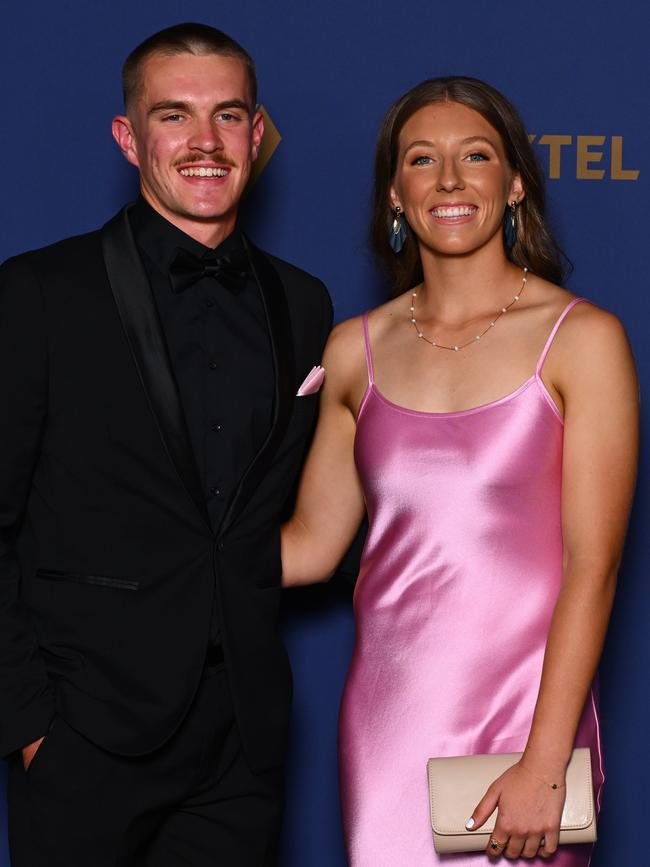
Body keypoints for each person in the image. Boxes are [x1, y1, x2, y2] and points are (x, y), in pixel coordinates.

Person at [281, 76, 638, 865]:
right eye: (421, 159)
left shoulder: (582, 339)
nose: (448, 179)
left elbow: (595, 562)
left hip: (528, 721)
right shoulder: (354, 349)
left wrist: (547, 760)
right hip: (389, 720)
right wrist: (145, 542)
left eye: (475, 156)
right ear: (395, 196)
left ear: (513, 185)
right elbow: (309, 545)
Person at [0, 22, 331, 867]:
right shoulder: (40, 291)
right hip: (86, 731)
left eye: (228, 116)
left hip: (243, 739)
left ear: (257, 135)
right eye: (174, 116)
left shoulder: (303, 303)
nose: (205, 143)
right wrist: (29, 724)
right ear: (129, 137)